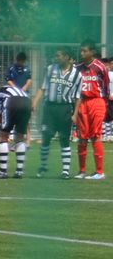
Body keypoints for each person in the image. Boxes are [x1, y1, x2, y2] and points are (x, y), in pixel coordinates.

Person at [34, 47, 79, 179]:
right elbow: (43, 87)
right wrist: (35, 102)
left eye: (59, 55)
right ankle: (43, 167)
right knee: (46, 137)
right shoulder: (50, 69)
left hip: (64, 109)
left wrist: (75, 114)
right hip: (50, 108)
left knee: (64, 139)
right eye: (56, 56)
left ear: (66, 57)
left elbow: (78, 96)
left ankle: (65, 171)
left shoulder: (77, 74)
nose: (56, 58)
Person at [73, 40, 109, 180]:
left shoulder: (100, 67)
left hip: (97, 102)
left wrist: (103, 103)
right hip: (82, 103)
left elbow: (105, 86)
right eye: (81, 50)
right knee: (82, 137)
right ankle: (82, 171)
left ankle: (99, 172)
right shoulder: (78, 68)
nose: (82, 53)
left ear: (92, 52)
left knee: (95, 135)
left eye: (84, 51)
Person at [0, 82, 30, 179]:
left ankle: (2, 172)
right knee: (19, 138)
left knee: (2, 137)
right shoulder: (15, 90)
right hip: (27, 101)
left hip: (12, 101)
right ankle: (19, 172)